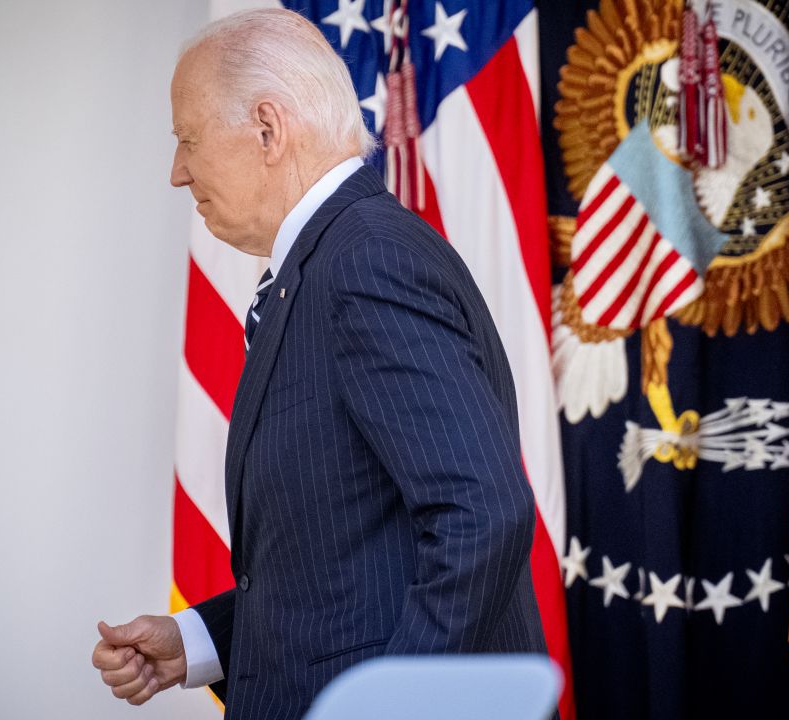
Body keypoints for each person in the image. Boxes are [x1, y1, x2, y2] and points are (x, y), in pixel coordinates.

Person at [91, 8, 547, 718]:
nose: (177, 172)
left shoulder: (365, 261)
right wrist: (198, 641)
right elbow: (352, 560)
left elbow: (481, 514)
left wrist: (392, 707)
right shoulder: (337, 259)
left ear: (268, 129)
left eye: (188, 139)